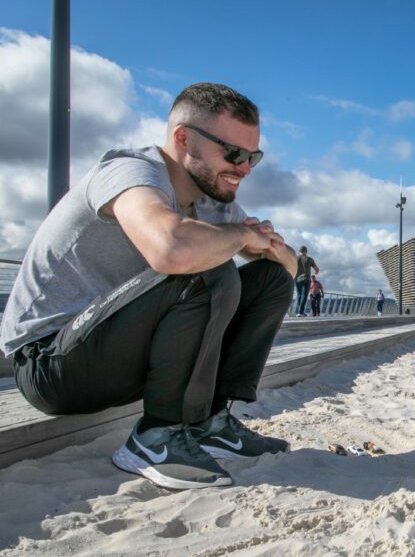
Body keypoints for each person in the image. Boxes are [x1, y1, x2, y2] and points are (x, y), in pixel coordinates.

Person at [1, 83, 299, 490]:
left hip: (118, 355)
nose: (244, 168)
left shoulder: (214, 200)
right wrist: (238, 237)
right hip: (51, 362)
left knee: (268, 280)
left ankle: (210, 422)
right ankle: (156, 439)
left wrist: (267, 246)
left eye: (253, 157)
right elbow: (171, 249)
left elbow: (289, 268)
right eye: (233, 153)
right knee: (205, 266)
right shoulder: (130, 171)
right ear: (183, 139)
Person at [295, 246, 319, 317]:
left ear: (299, 251)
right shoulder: (309, 259)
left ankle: (300, 311)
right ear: (306, 251)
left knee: (299, 295)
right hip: (306, 279)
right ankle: (300, 312)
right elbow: (316, 269)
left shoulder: (295, 258)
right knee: (304, 296)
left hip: (297, 279)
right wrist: (316, 272)